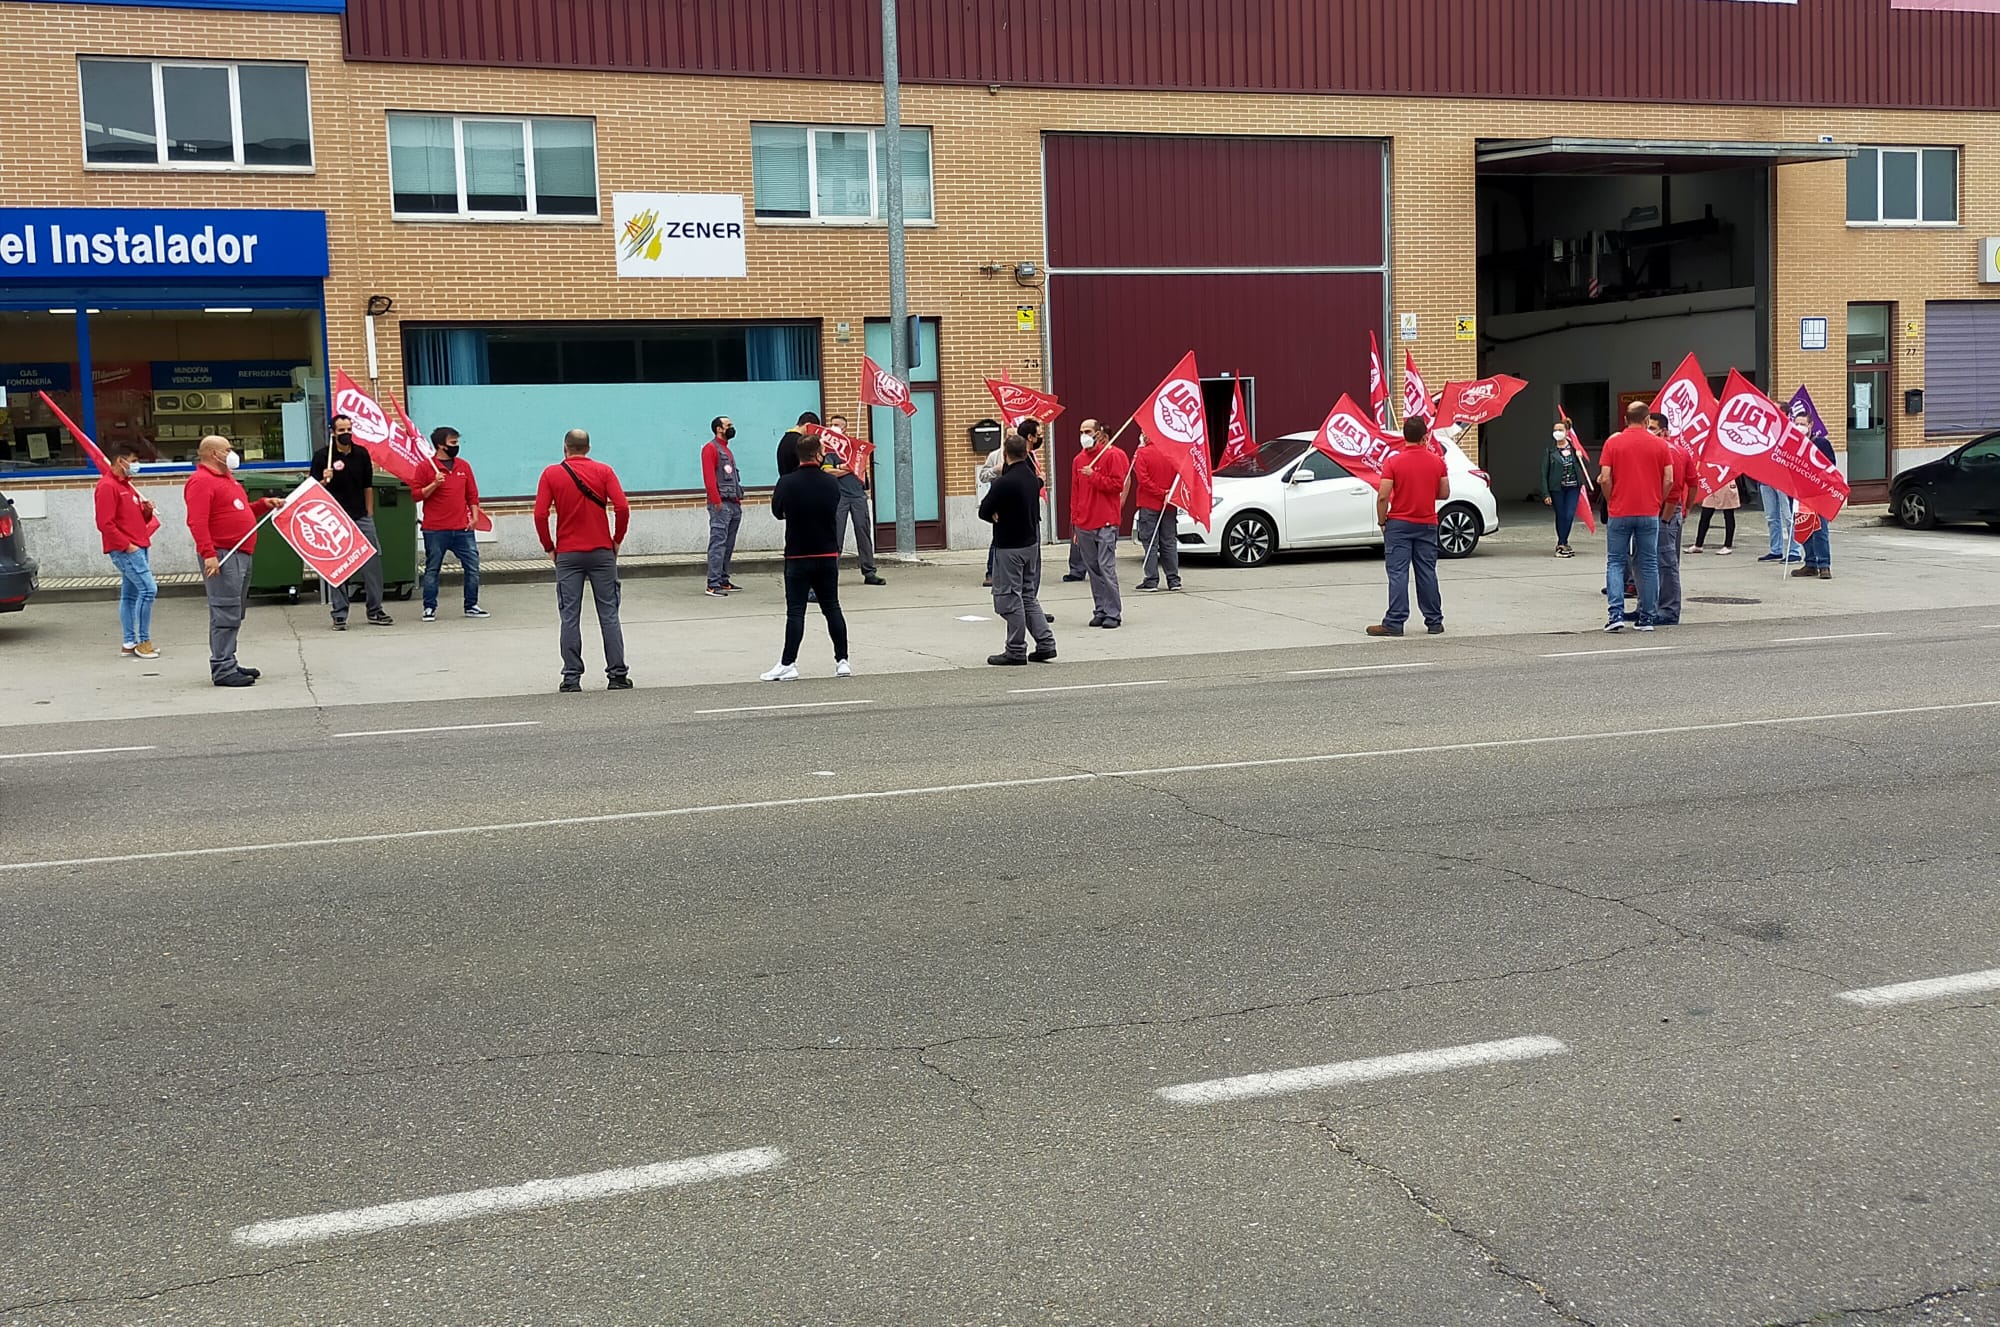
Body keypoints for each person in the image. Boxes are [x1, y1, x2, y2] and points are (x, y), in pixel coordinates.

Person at [534, 428, 632, 693]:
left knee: (569, 616)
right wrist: (617, 539)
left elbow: (540, 514)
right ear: (588, 448)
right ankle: (617, 675)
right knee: (609, 613)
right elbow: (622, 507)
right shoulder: (604, 471)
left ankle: (571, 677)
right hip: (602, 551)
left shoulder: (551, 474)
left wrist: (549, 548)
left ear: (565, 447)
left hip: (567, 554)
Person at [184, 435, 283, 687]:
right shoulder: (201, 481)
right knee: (225, 610)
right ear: (213, 454)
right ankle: (222, 667)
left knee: (234, 610)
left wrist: (263, 505)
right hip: (223, 554)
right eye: (227, 449)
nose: (232, 453)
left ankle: (228, 658)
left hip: (240, 553)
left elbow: (238, 509)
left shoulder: (226, 479)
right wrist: (208, 554)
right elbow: (197, 521)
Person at [762, 431, 849, 681]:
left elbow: (778, 512)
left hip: (798, 554)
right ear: (818, 454)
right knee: (832, 607)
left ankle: (788, 663)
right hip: (827, 552)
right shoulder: (831, 482)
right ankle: (842, 661)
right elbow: (832, 505)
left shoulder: (786, 483)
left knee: (796, 611)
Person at [1365, 417, 1451, 638]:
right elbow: (1444, 493)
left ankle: (1395, 621)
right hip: (1427, 523)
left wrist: (1382, 521)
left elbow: (1383, 496)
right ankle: (1434, 621)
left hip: (1400, 525)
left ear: (1404, 436)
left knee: (1398, 573)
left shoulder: (1393, 462)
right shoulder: (1437, 462)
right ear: (1425, 436)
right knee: (1427, 572)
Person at [979, 433, 1057, 666]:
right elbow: (1039, 484)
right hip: (1030, 544)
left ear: (1005, 455)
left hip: (1009, 547)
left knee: (1009, 598)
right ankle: (1045, 642)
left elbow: (984, 510)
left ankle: (1015, 648)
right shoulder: (1032, 479)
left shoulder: (1005, 482)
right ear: (1026, 453)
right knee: (1028, 596)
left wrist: (994, 513)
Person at [1598, 400, 1674, 633]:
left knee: (1616, 562)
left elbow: (1605, 477)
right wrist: (1657, 501)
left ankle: (1616, 614)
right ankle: (1647, 617)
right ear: (1646, 419)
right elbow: (1669, 479)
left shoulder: (1613, 443)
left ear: (1625, 419)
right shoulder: (1660, 445)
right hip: (1648, 511)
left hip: (1620, 511)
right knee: (1649, 563)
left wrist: (1612, 501)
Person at [312, 414, 393, 631]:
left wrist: (369, 513)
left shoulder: (361, 454)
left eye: (349, 429)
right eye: (341, 430)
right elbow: (311, 492)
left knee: (372, 564)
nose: (346, 433)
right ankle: (339, 614)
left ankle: (375, 610)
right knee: (338, 566)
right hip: (334, 520)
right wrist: (324, 479)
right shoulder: (322, 457)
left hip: (360, 516)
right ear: (332, 432)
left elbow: (368, 485)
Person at [416, 426, 487, 622]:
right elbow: (415, 495)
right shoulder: (425, 467)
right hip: (435, 529)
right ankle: (429, 607)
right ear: (440, 445)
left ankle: (471, 605)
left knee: (472, 567)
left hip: (462, 528)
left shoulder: (463, 466)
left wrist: (473, 517)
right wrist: (434, 484)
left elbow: (472, 495)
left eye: (457, 442)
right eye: (452, 443)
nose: (456, 446)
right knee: (433, 569)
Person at [95, 443, 160, 659]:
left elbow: (133, 520)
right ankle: (143, 641)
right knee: (148, 590)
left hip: (138, 545)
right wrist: (127, 546)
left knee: (130, 595)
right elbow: (105, 523)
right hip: (127, 549)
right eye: (132, 461)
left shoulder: (127, 486)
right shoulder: (107, 486)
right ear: (119, 461)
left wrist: (147, 512)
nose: (135, 465)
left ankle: (129, 642)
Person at [1071, 417, 1129, 628]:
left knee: (1106, 567)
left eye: (1088, 431)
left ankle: (1113, 612)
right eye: (1081, 431)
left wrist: (1094, 475)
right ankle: (1101, 609)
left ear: (1098, 433)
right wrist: (1075, 523)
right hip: (1084, 523)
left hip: (1105, 521)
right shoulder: (1079, 460)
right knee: (1093, 569)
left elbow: (1117, 485)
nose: (1084, 436)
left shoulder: (1114, 455)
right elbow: (1075, 493)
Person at [825, 414, 886, 587]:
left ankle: (869, 572)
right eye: (832, 424)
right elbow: (828, 472)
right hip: (839, 498)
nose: (834, 427)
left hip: (858, 496)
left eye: (837, 425)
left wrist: (846, 468)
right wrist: (850, 468)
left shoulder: (855, 448)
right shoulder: (829, 450)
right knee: (836, 536)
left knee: (864, 534)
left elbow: (862, 472)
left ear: (845, 428)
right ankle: (831, 574)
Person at [1651, 411, 1692, 627]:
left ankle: (1668, 610)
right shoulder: (1651, 451)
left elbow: (1680, 487)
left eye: (1652, 428)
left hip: (1666, 511)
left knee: (1666, 561)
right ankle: (1648, 606)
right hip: (1652, 510)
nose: (1649, 432)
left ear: (1664, 431)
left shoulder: (1673, 452)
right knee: (1648, 562)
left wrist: (1674, 513)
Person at [1131, 434, 1184, 592]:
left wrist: (1160, 493)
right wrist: (1168, 493)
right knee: (1169, 542)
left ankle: (1151, 580)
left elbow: (1143, 479)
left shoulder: (1142, 453)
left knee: (1150, 543)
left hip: (1150, 503)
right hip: (1169, 504)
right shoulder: (1172, 452)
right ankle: (1173, 580)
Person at [702, 414, 744, 597]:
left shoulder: (726, 450)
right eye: (728, 425)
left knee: (728, 544)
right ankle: (712, 583)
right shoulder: (710, 449)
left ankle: (723, 579)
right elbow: (709, 477)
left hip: (733, 503)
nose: (731, 427)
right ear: (719, 428)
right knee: (718, 544)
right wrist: (716, 501)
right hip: (721, 505)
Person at [1794, 429, 1836, 581]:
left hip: (1819, 493)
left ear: (1810, 425)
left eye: (1803, 424)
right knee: (1804, 526)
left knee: (1819, 528)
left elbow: (1831, 466)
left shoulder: (1821, 443)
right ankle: (1810, 563)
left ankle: (1824, 565)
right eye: (1796, 423)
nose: (1799, 426)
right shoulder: (1793, 443)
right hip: (1801, 493)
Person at [1541, 421, 1587, 559]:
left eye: (1560, 429)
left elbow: (1583, 467)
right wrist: (1545, 493)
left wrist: (1580, 456)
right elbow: (1544, 472)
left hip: (1573, 487)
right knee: (1561, 515)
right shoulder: (1550, 451)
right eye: (1555, 429)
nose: (1557, 432)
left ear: (1567, 432)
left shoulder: (1574, 449)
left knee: (1569, 515)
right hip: (1557, 489)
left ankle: (1562, 543)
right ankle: (1562, 543)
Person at [1689, 477, 1740, 555]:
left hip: (1725, 481)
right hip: (1711, 483)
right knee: (1705, 514)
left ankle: (1728, 545)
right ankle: (1698, 544)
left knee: (1728, 514)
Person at [1758, 481, 1801, 564]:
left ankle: (1794, 551)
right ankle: (1776, 550)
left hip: (1783, 480)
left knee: (1789, 517)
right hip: (1764, 479)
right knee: (1771, 517)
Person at [777, 410, 816, 480]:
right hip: (798, 483)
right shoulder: (800, 442)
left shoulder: (785, 439)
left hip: (786, 482)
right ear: (808, 425)